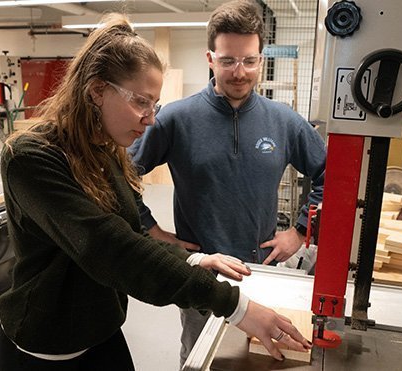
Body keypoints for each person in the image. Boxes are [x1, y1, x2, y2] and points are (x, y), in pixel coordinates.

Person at [0, 14, 310, 371]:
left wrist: (193, 259)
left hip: (102, 332)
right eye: (141, 102)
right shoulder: (32, 158)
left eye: (154, 105)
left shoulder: (101, 151)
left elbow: (131, 234)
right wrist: (235, 306)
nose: (151, 118)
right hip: (46, 347)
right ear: (97, 90)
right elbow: (110, 248)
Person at [128, 0, 326, 366]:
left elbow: (332, 176)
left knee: (256, 358)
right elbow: (118, 177)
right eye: (228, 60)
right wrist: (153, 230)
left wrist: (298, 232)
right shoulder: (175, 119)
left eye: (249, 60)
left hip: (261, 272)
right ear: (210, 58)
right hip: (201, 276)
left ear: (261, 59)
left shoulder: (284, 121)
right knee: (201, 359)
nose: (240, 72)